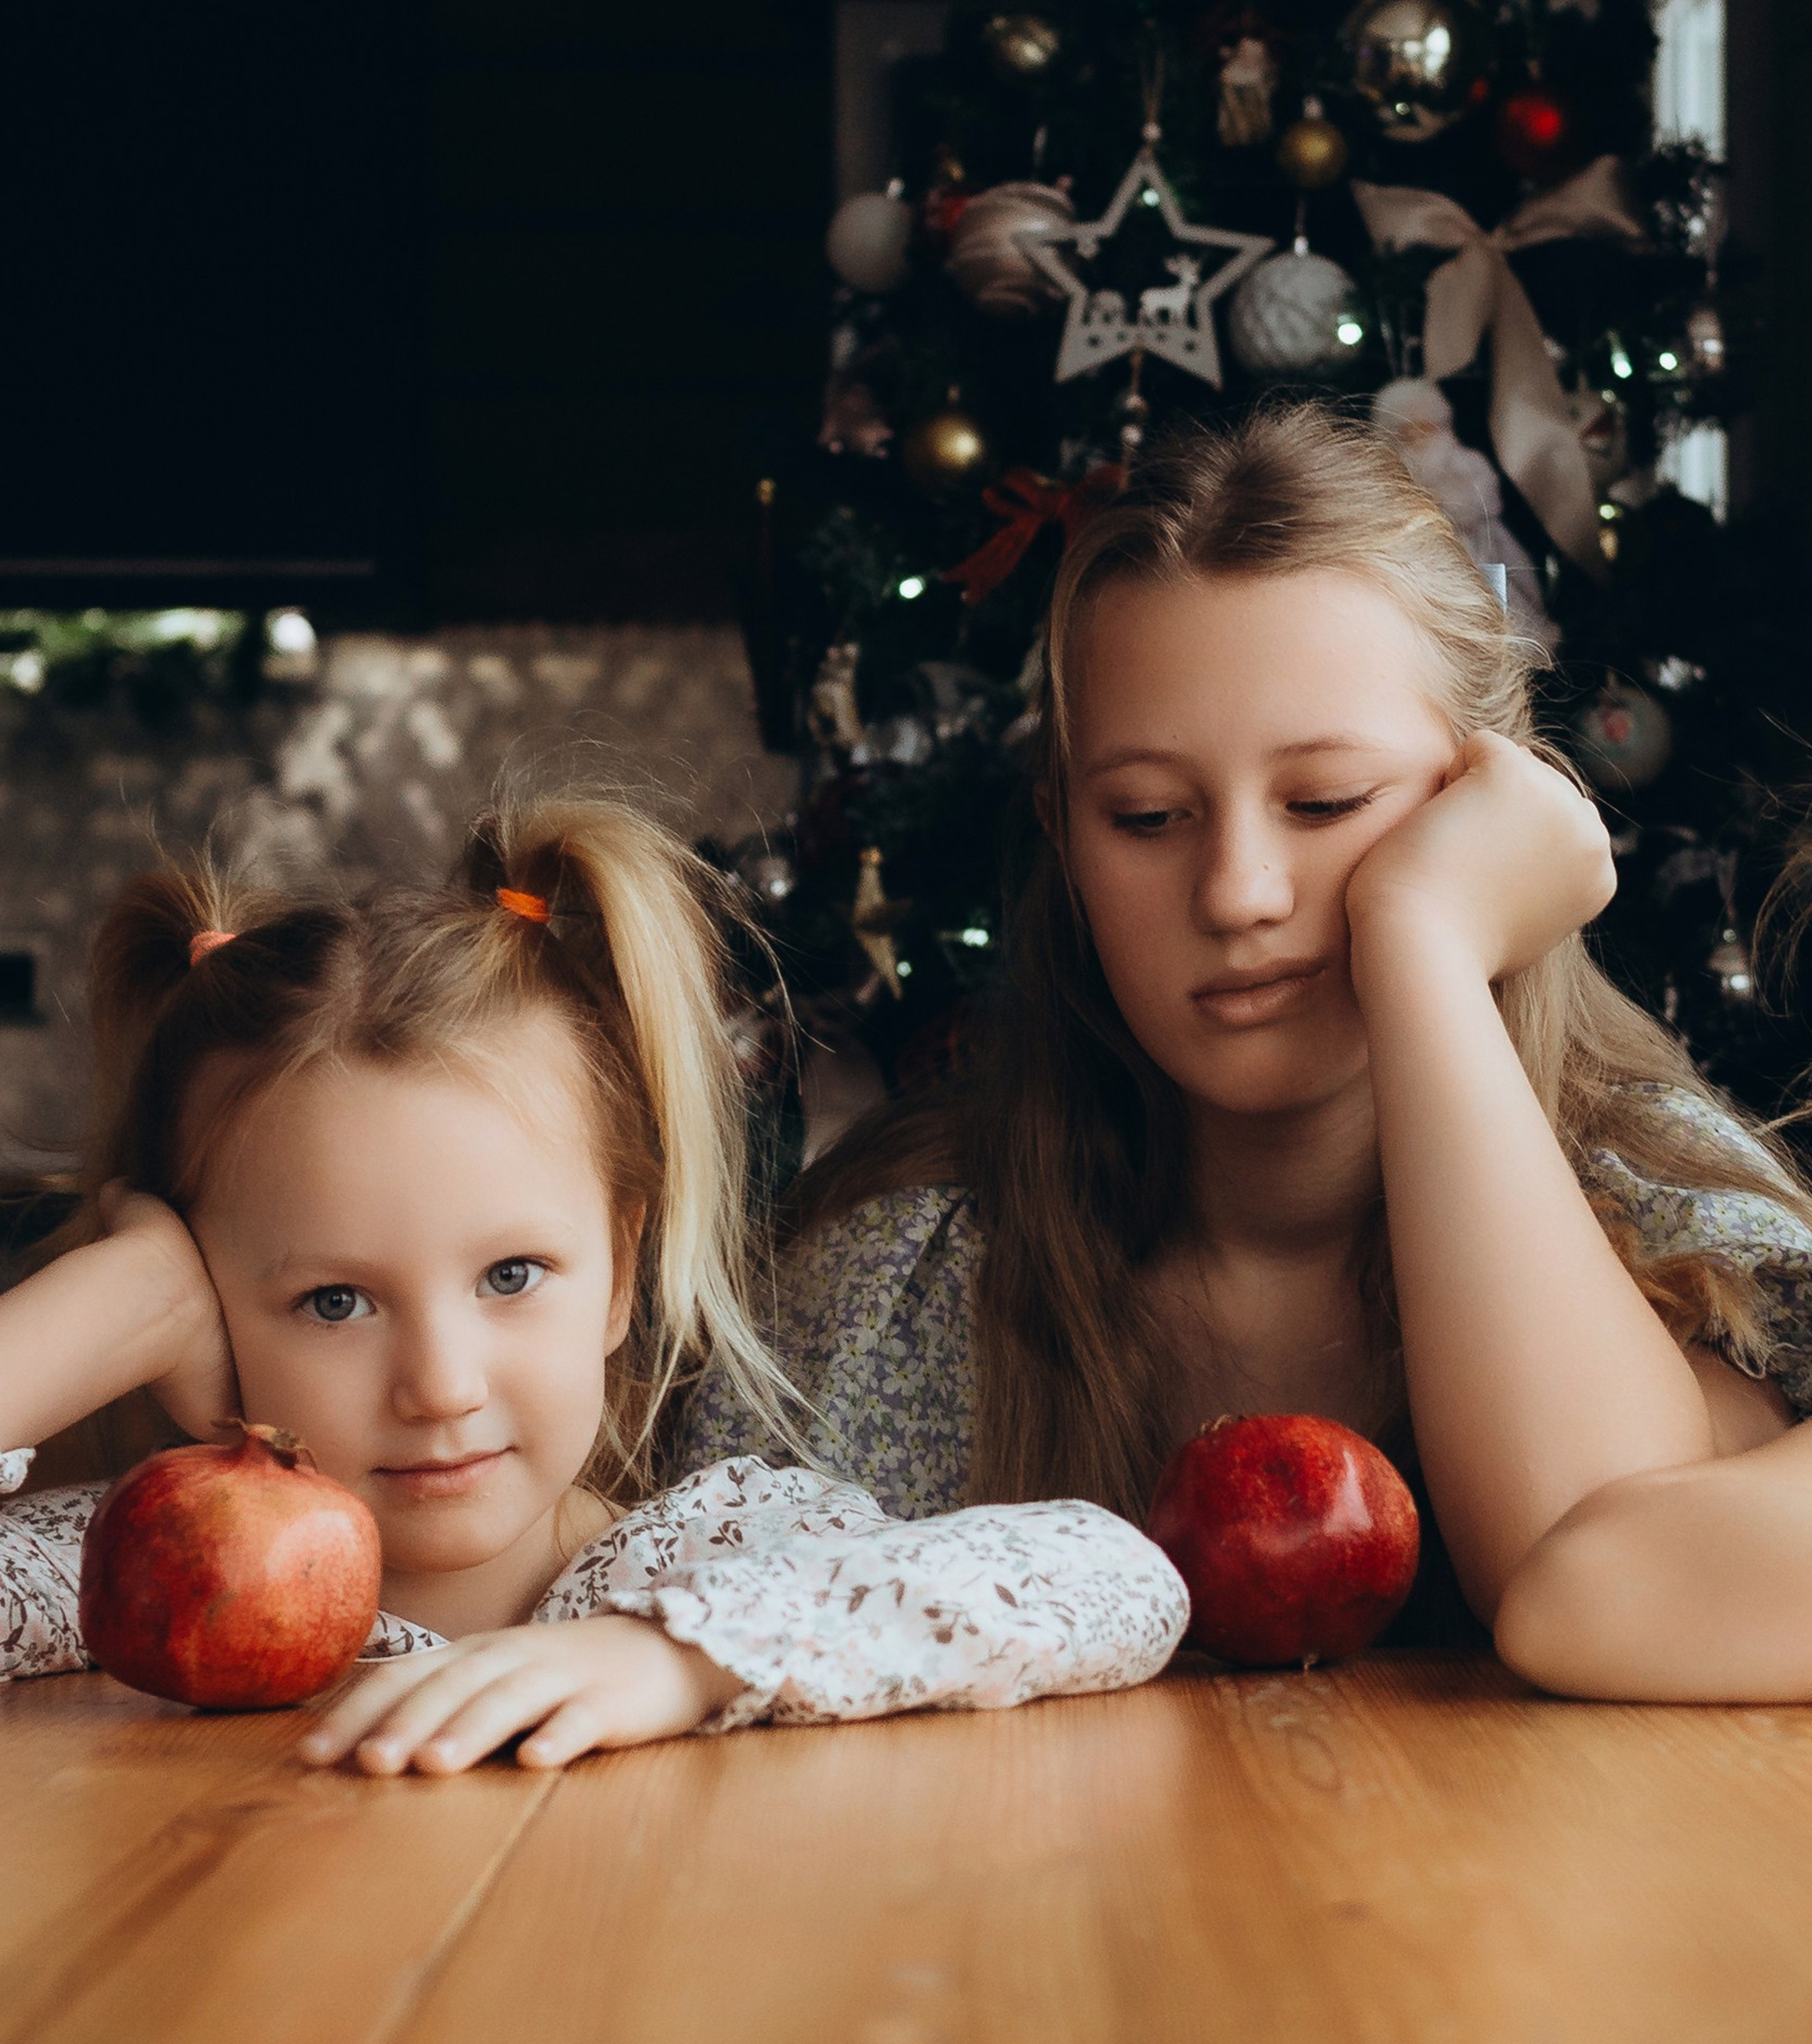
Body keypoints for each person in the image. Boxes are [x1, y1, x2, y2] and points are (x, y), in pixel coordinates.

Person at [683, 401, 1812, 1701]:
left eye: (1328, 804)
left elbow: (1589, 1573)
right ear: (1066, 840)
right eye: (1149, 816)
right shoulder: (896, 1289)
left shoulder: (1674, 1230)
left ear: (1489, 807)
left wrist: (1425, 944)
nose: (1238, 890)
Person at [0, 790, 1186, 1761]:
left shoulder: (713, 1563)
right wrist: (116, 1299)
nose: (441, 1387)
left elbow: (1116, 1582)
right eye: (335, 1301)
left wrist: (669, 1659)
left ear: (620, 1272)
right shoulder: (119, 1599)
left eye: (512, 1276)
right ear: (210, 1308)